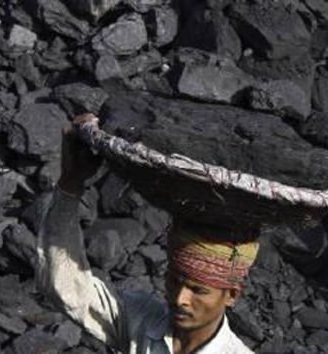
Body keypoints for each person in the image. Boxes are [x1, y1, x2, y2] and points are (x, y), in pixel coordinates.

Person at [36, 113, 260, 354]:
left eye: (198, 290)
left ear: (232, 295)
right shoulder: (142, 320)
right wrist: (71, 182)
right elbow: (67, 288)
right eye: (174, 282)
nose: (179, 299)